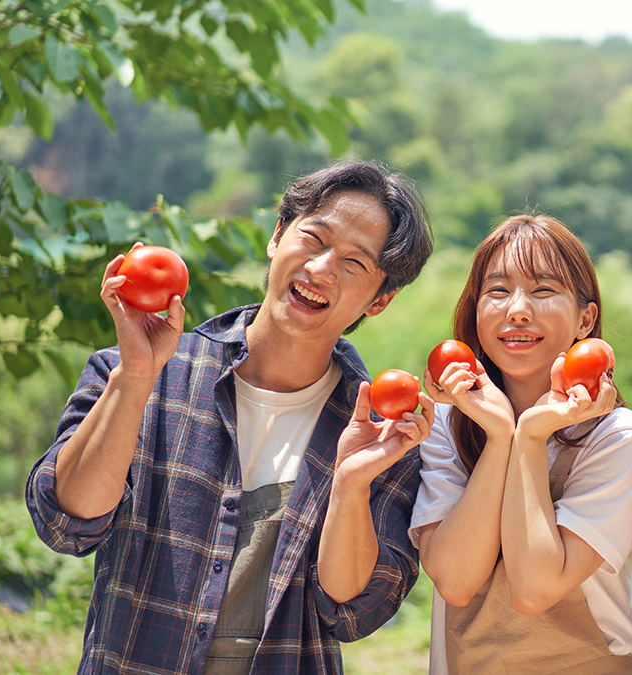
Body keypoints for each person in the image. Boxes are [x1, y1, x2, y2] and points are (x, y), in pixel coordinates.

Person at [25, 160, 435, 674]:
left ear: (381, 299)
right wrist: (134, 379)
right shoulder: (138, 374)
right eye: (314, 238)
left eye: (355, 264)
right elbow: (65, 523)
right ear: (277, 235)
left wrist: (351, 484)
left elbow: (351, 612)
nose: (322, 268)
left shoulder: (382, 436)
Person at [409, 215, 632, 674]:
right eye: (498, 291)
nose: (517, 310)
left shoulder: (619, 438)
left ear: (586, 319)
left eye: (543, 291)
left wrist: (531, 438)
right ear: (475, 310)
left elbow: (535, 587)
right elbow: (455, 581)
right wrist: (501, 437)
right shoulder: (444, 424)